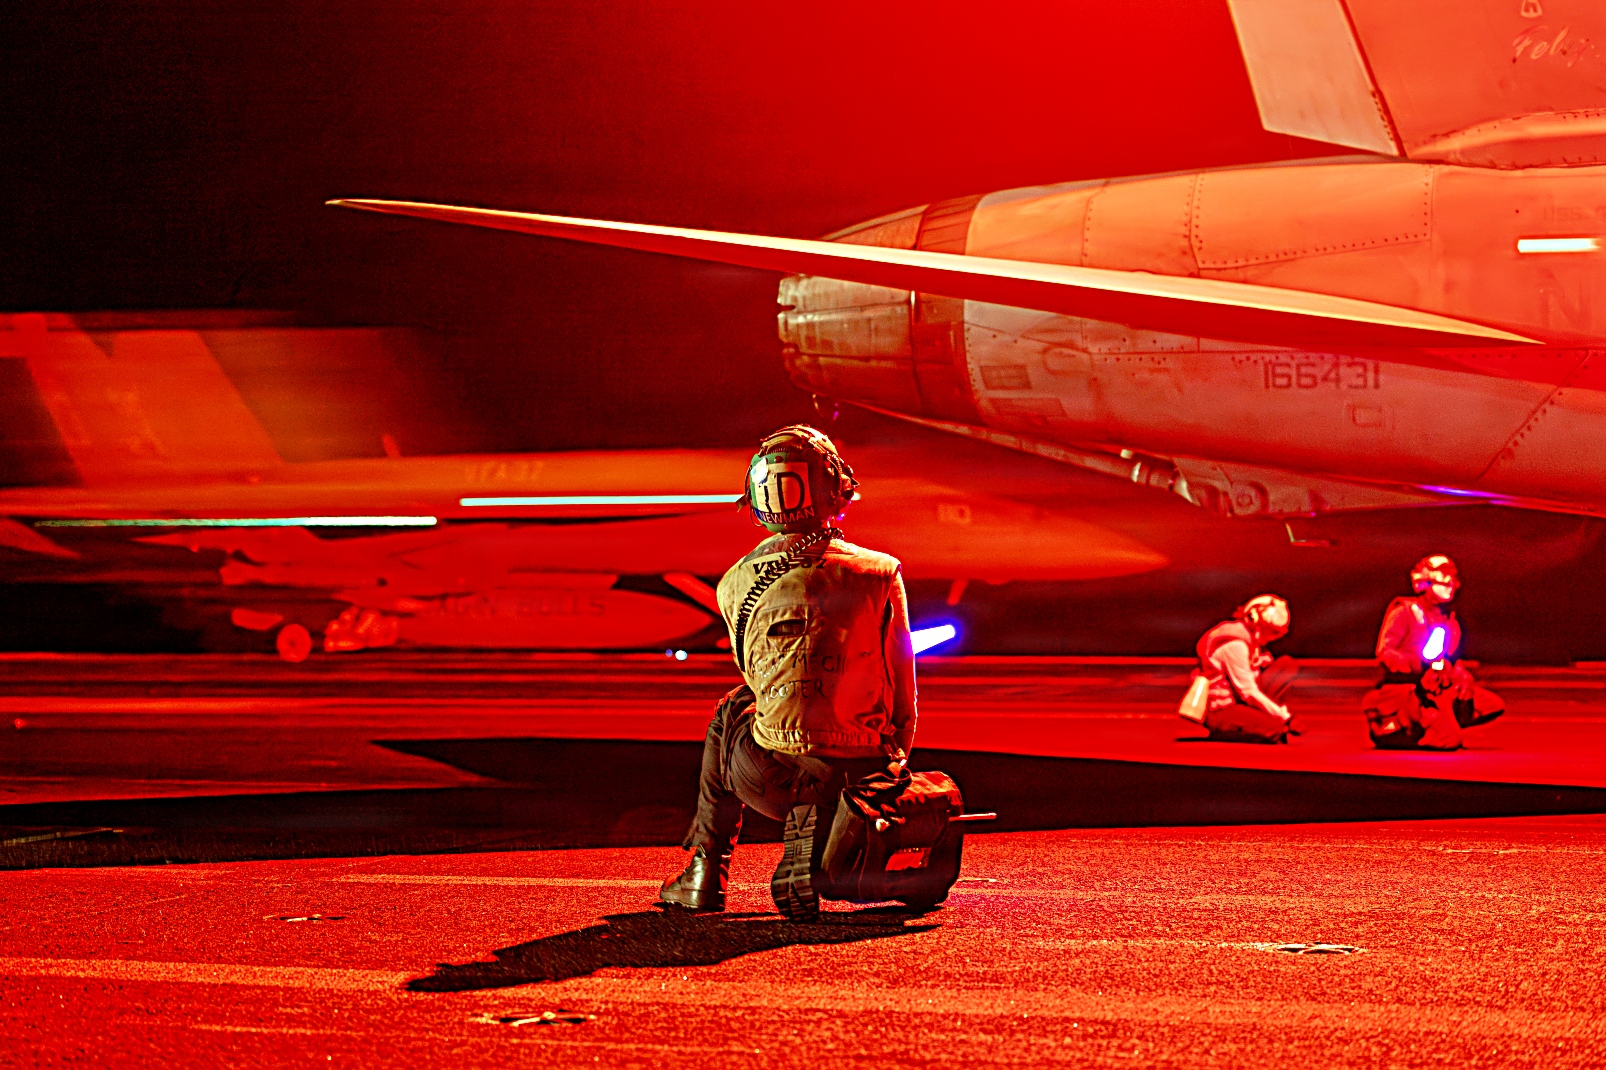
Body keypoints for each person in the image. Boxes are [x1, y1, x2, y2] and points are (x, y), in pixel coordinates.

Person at [659, 425, 917, 912]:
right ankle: (833, 830)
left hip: (773, 783)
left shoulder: (733, 582)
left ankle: (704, 872)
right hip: (863, 778)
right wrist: (894, 766)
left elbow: (756, 680)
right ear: (834, 488)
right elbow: (903, 687)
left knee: (733, 707)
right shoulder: (881, 572)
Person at [1362, 555, 1504, 750]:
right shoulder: (1405, 612)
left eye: (1452, 579)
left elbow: (1450, 660)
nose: (1449, 584)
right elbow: (1385, 652)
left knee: (1490, 705)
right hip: (1407, 687)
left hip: (1437, 688)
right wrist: (1417, 665)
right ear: (1425, 582)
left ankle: (1436, 721)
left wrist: (1462, 678)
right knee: (1448, 740)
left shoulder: (1450, 621)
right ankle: (1412, 727)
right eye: (1443, 578)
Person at [1186, 594, 1298, 743]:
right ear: (1255, 621)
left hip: (1237, 699)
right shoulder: (1235, 645)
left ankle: (1257, 720)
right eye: (1272, 631)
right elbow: (1247, 691)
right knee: (1275, 730)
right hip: (1222, 708)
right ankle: (1224, 729)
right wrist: (1285, 717)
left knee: (1285, 666)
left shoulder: (1250, 642)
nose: (1273, 637)